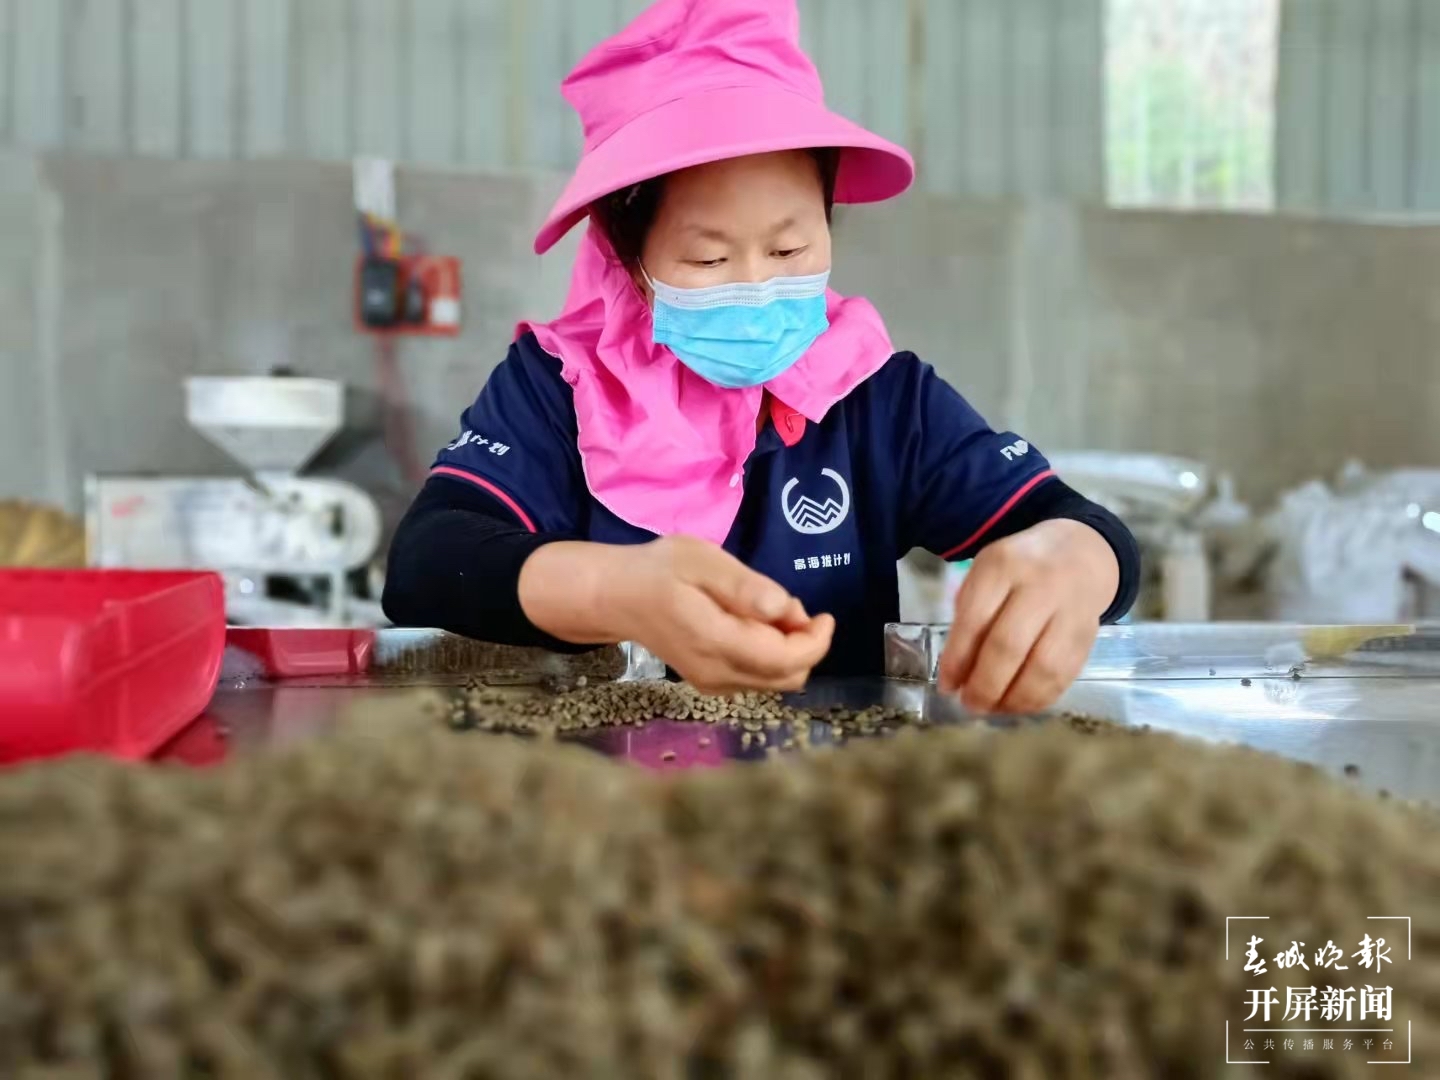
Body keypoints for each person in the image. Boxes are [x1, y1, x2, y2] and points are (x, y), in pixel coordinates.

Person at [384, 0, 1139, 712]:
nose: (756, 285)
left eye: (790, 247)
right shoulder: (557, 387)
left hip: (822, 808)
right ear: (629, 255)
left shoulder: (881, 399)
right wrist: (615, 589)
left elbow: (1069, 522)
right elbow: (428, 561)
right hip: (600, 813)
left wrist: (1073, 559)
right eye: (708, 260)